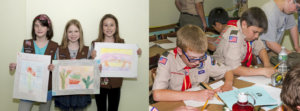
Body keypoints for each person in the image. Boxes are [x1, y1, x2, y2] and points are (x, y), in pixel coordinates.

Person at [152, 24, 234, 102]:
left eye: (201, 57)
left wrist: (228, 84)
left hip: (200, 103)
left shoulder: (205, 59)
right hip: (176, 104)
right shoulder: (168, 60)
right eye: (192, 58)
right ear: (180, 51)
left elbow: (228, 70)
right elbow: (157, 94)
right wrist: (194, 95)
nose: (198, 62)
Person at [90, 14, 142, 111]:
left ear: (116, 27)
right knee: (101, 108)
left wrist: (136, 52)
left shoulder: (121, 42)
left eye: (111, 25)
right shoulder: (95, 43)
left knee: (114, 108)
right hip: (100, 83)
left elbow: (127, 57)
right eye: (105, 25)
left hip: (116, 83)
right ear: (101, 27)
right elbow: (89, 65)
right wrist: (92, 58)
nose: (109, 28)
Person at [8, 14, 58, 111]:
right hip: (27, 86)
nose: (39, 28)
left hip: (47, 87)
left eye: (43, 25)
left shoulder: (54, 46)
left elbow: (56, 68)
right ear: (33, 28)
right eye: (36, 25)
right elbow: (23, 63)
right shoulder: (27, 43)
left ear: (48, 28)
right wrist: (16, 66)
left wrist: (54, 68)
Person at [213, 7, 276, 77]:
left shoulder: (250, 32)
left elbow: (260, 48)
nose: (257, 36)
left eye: (259, 33)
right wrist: (263, 71)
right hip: (222, 76)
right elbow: (233, 68)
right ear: (244, 24)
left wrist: (267, 66)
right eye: (255, 32)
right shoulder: (234, 35)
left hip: (237, 73)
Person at [53, 19, 91, 111]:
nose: (73, 34)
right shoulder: (59, 49)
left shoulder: (87, 50)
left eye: (76, 31)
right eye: (70, 31)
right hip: (64, 94)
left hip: (80, 94)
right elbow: (56, 70)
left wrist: (97, 68)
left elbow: (90, 72)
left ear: (80, 33)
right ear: (66, 33)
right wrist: (53, 68)